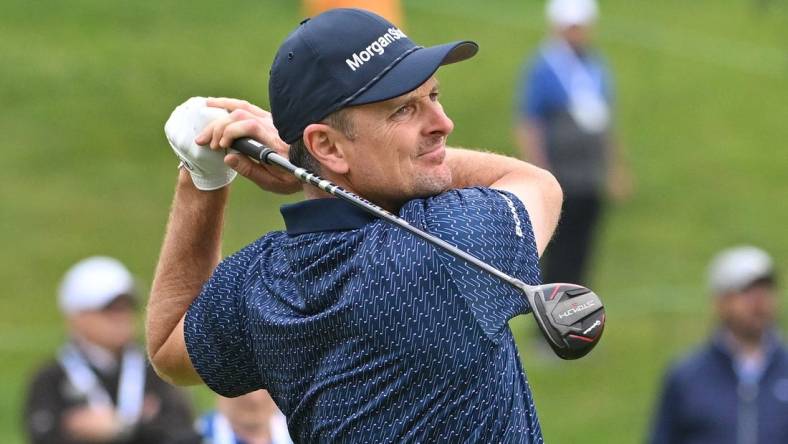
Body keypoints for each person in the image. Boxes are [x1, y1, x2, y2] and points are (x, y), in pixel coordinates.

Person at [147, 8, 562, 442]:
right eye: (404, 110)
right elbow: (536, 182)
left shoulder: (264, 283)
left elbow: (168, 350)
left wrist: (203, 179)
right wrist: (300, 164)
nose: (443, 124)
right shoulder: (447, 244)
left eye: (433, 96)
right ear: (325, 145)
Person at [514, 0, 631, 286]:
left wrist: (615, 168)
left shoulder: (596, 65)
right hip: (561, 175)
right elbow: (529, 123)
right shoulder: (543, 67)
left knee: (583, 249)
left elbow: (605, 121)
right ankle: (550, 319)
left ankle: (578, 312)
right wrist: (540, 173)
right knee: (559, 250)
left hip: (589, 176)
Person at [23, 256, 200, 444]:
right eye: (108, 310)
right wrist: (143, 424)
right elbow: (42, 435)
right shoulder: (50, 378)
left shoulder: (159, 370)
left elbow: (183, 431)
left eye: (126, 307)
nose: (121, 317)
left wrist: (120, 428)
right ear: (77, 317)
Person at [648, 246, 788, 444]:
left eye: (765, 289)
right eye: (746, 291)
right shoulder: (686, 377)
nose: (758, 301)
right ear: (720, 301)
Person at [197, 390, 292, 444]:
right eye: (241, 386)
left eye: (263, 385)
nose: (255, 398)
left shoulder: (302, 433)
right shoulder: (196, 436)